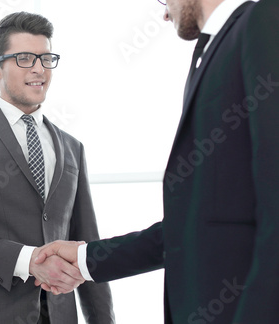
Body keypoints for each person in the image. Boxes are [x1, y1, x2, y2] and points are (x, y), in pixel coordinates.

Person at [35, 0, 279, 323]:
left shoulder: (264, 21)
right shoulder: (211, 52)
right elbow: (192, 227)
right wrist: (84, 259)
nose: (165, 12)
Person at [0, 11, 114, 324]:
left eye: (46, 58)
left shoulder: (71, 147)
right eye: (25, 58)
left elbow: (88, 244)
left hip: (60, 315)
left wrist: (103, 320)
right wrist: (28, 261)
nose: (38, 69)